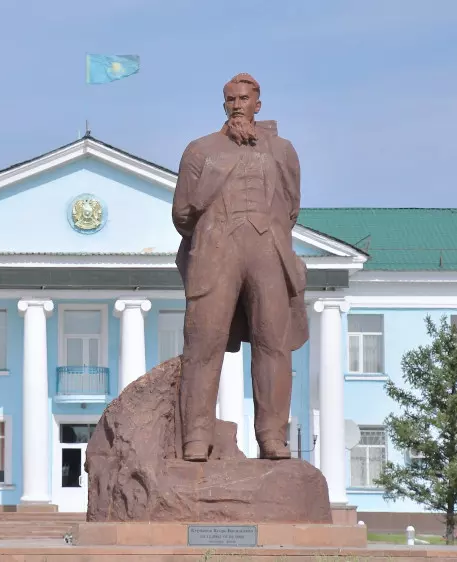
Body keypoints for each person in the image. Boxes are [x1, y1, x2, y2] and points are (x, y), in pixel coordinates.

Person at [172, 72, 309, 462]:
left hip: (268, 253)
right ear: (224, 105)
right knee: (204, 342)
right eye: (231, 99)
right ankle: (196, 436)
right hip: (217, 253)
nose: (237, 105)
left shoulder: (282, 150)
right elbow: (182, 215)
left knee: (273, 343)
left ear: (258, 105)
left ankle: (272, 436)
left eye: (244, 99)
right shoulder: (201, 150)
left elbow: (291, 207)